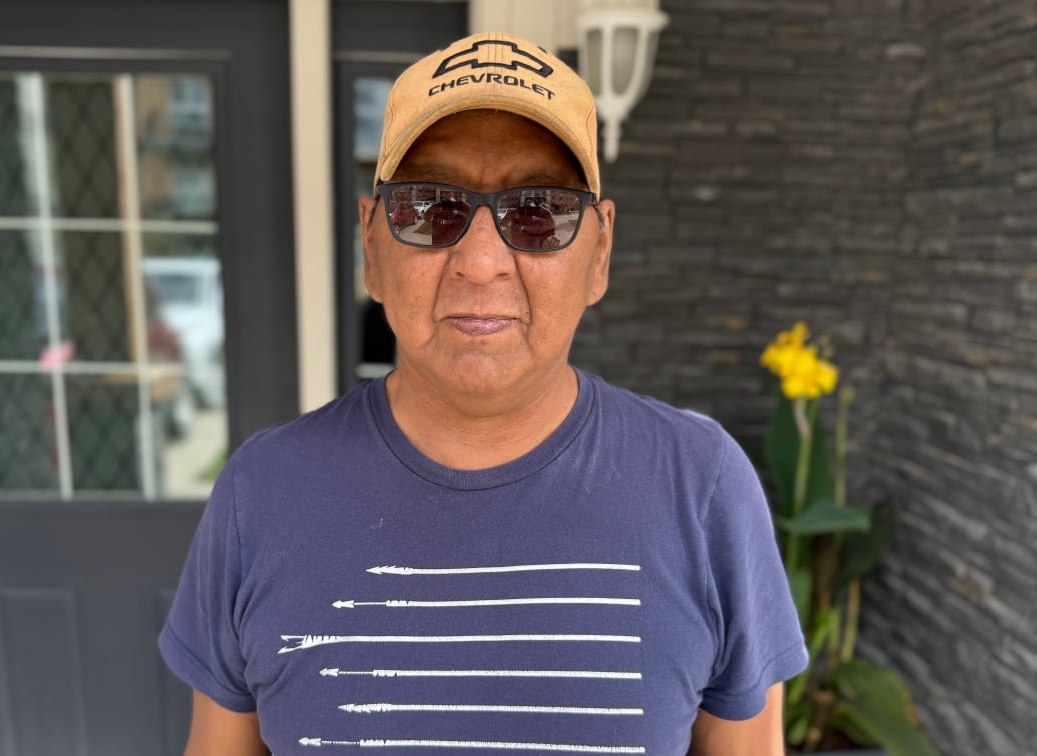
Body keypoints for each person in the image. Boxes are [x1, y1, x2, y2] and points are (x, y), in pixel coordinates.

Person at [159, 31, 806, 755]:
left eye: (539, 212)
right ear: (371, 243)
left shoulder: (703, 488)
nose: (481, 260)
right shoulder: (262, 493)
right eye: (430, 208)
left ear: (599, 252)